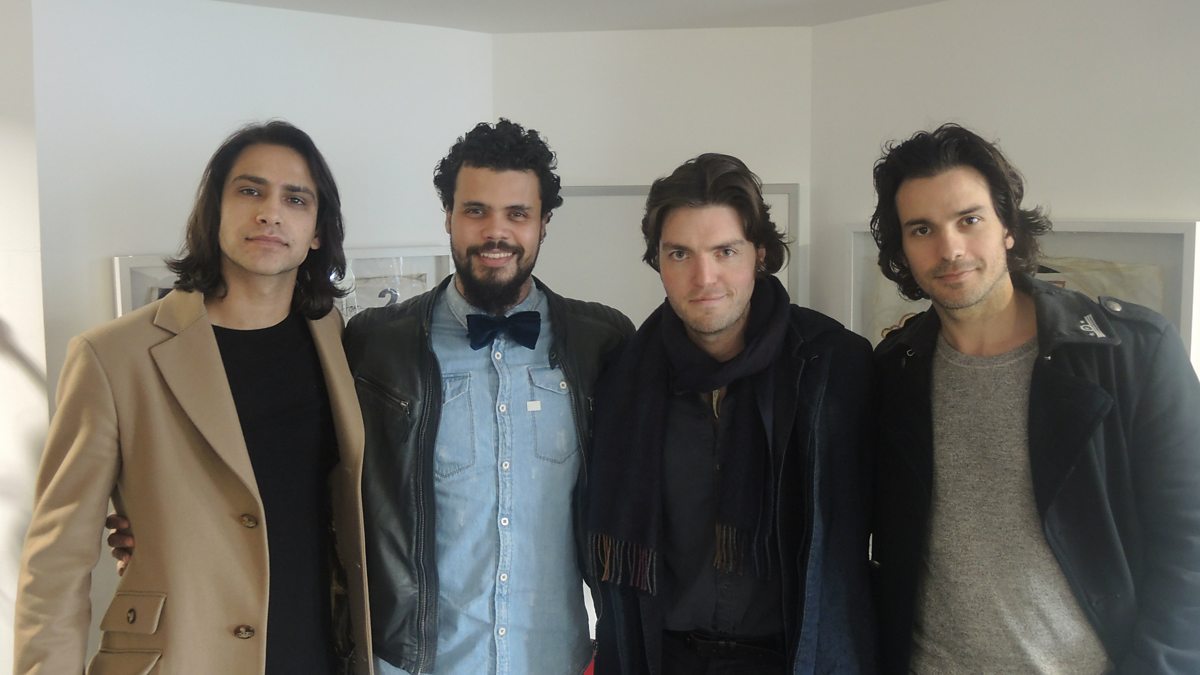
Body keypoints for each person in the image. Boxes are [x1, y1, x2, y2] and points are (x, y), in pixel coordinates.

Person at [14, 121, 372, 674]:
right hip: (182, 656)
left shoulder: (337, 338)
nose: (271, 213)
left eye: (296, 199)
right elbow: (56, 564)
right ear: (214, 212)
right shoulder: (114, 356)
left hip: (319, 653)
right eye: (250, 190)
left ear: (318, 231)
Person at [869, 123, 1200, 673]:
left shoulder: (1131, 355)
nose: (950, 249)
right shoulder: (891, 372)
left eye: (969, 220)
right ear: (902, 249)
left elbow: (1190, 546)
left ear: (1007, 227)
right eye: (922, 229)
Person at [343, 119, 633, 674]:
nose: (495, 232)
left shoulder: (602, 342)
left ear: (544, 224)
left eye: (517, 214)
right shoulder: (376, 345)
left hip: (556, 659)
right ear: (448, 217)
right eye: (475, 210)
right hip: (415, 665)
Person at [589, 153, 876, 673]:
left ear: (759, 254)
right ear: (658, 261)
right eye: (680, 253)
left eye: (725, 251)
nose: (705, 277)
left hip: (794, 660)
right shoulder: (620, 377)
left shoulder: (833, 365)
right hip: (663, 659)